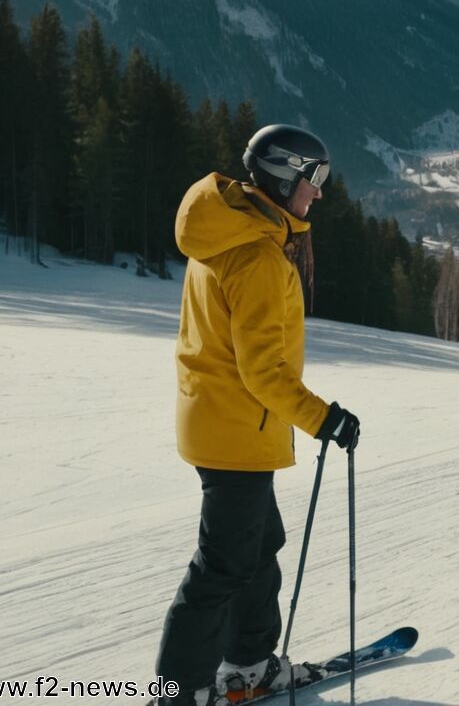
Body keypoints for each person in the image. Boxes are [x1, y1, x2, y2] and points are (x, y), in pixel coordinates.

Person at [155, 124, 361, 706]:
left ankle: (247, 664)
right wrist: (324, 419)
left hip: (219, 421)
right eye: (314, 176)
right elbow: (264, 372)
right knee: (222, 567)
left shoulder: (225, 230)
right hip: (237, 432)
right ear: (283, 174)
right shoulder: (258, 257)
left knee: (259, 544)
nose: (320, 190)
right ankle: (179, 694)